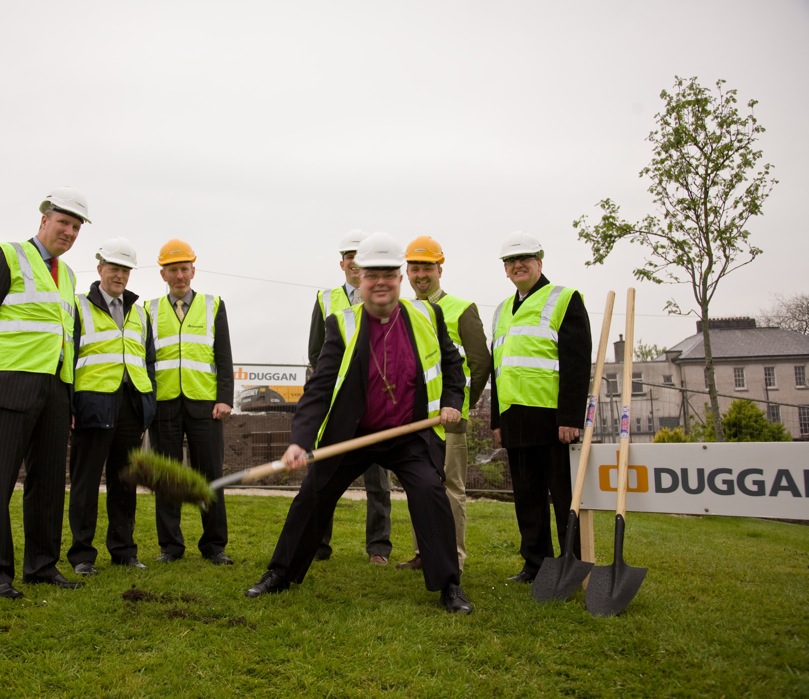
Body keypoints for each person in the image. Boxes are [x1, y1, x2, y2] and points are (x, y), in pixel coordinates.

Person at [245, 232, 473, 614]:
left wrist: (452, 402)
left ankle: (449, 585)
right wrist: (300, 440)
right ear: (359, 278)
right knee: (314, 494)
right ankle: (280, 573)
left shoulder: (427, 315)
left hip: (409, 433)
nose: (380, 281)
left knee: (430, 493)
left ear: (399, 277)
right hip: (355, 432)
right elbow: (317, 390)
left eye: (388, 273)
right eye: (372, 274)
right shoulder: (342, 325)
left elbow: (452, 366)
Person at [0, 186, 90, 599]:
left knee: (49, 482)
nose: (68, 232)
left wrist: (67, 394)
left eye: (75, 226)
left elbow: (66, 336)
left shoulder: (68, 276)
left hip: (55, 389)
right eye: (63, 223)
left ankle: (42, 566)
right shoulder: (7, 254)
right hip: (11, 383)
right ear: (43, 221)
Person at [490, 231, 592, 583]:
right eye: (510, 261)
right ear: (505, 270)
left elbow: (577, 363)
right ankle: (535, 565)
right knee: (527, 499)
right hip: (515, 419)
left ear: (539, 263)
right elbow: (498, 367)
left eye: (525, 259)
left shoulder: (564, 299)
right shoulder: (502, 310)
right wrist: (496, 419)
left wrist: (570, 417)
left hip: (552, 420)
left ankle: (571, 562)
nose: (518, 265)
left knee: (564, 497)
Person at [396, 236, 491, 574]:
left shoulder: (462, 310)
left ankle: (453, 558)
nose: (420, 274)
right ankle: (424, 554)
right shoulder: (404, 311)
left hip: (449, 421)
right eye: (414, 267)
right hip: (414, 422)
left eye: (426, 267)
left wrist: (461, 405)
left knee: (451, 490)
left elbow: (480, 364)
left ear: (440, 268)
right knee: (419, 488)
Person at [67, 238, 157, 576]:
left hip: (131, 406)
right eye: (113, 268)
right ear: (100, 268)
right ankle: (82, 557)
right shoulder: (79, 307)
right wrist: (70, 403)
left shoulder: (139, 312)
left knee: (124, 483)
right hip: (92, 404)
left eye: (125, 270)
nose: (119, 275)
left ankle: (124, 551)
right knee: (85, 482)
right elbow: (70, 357)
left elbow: (147, 360)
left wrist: (147, 403)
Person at [145, 238, 235, 565]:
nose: (179, 275)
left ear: (193, 270)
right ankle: (170, 547)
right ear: (163, 274)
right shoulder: (148, 310)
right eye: (173, 270)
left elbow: (223, 357)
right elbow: (146, 360)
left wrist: (225, 398)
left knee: (209, 477)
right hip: (164, 405)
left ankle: (214, 546)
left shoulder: (214, 305)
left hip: (205, 405)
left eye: (184, 269)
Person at [306, 229, 392, 565]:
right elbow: (315, 351)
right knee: (325, 472)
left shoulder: (383, 297)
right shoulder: (325, 299)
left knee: (378, 480)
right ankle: (319, 543)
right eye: (349, 256)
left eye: (361, 256)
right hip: (337, 403)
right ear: (342, 263)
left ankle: (378, 547)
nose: (355, 262)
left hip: (375, 402)